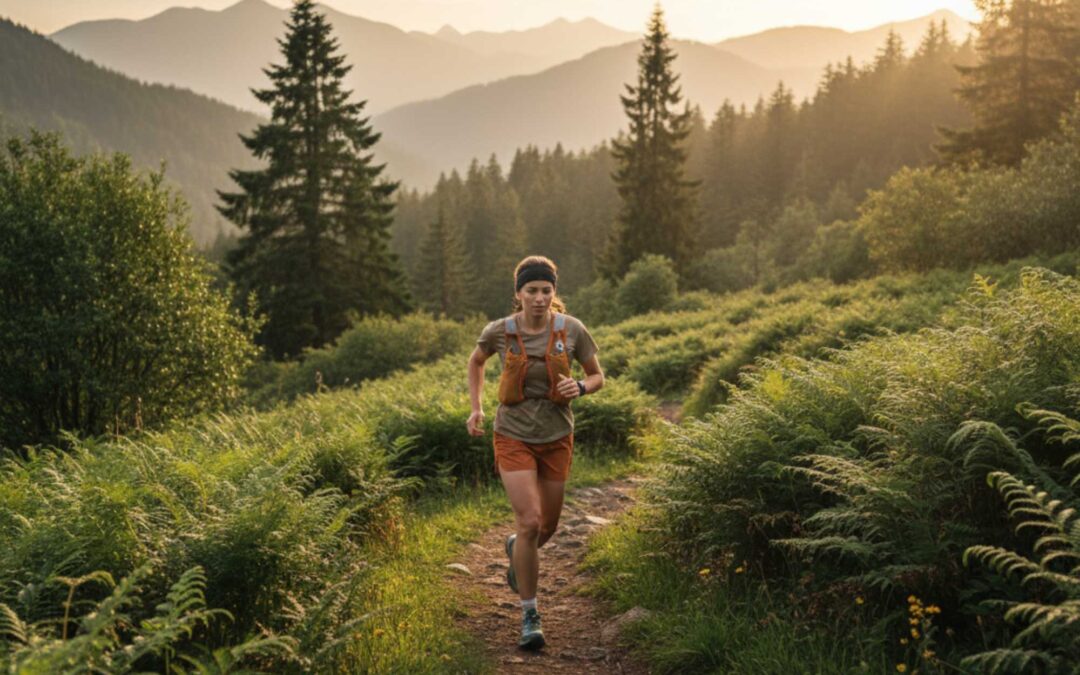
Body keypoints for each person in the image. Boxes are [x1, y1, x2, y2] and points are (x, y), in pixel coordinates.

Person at [466, 255, 604, 651]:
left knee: (548, 527)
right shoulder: (499, 332)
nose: (540, 298)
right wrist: (476, 408)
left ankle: (517, 548)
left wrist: (580, 386)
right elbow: (476, 362)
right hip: (512, 435)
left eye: (546, 290)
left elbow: (598, 375)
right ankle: (530, 615)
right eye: (532, 291)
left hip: (557, 436)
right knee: (529, 521)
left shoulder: (572, 329)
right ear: (518, 293)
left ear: (553, 292)